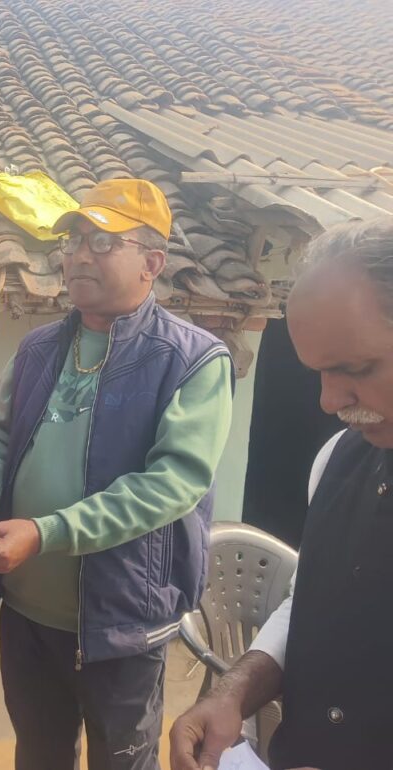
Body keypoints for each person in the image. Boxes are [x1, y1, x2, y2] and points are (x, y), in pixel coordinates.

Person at [0, 178, 234, 769]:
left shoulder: (192, 360)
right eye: (72, 241)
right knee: (39, 755)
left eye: (103, 241)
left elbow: (171, 484)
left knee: (122, 761)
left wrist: (45, 532)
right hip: (26, 613)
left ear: (152, 263)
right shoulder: (39, 348)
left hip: (122, 625)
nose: (79, 255)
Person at [170, 218, 393, 770]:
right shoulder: (336, 460)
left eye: (356, 369)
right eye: (317, 373)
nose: (328, 401)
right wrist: (234, 693)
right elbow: (310, 605)